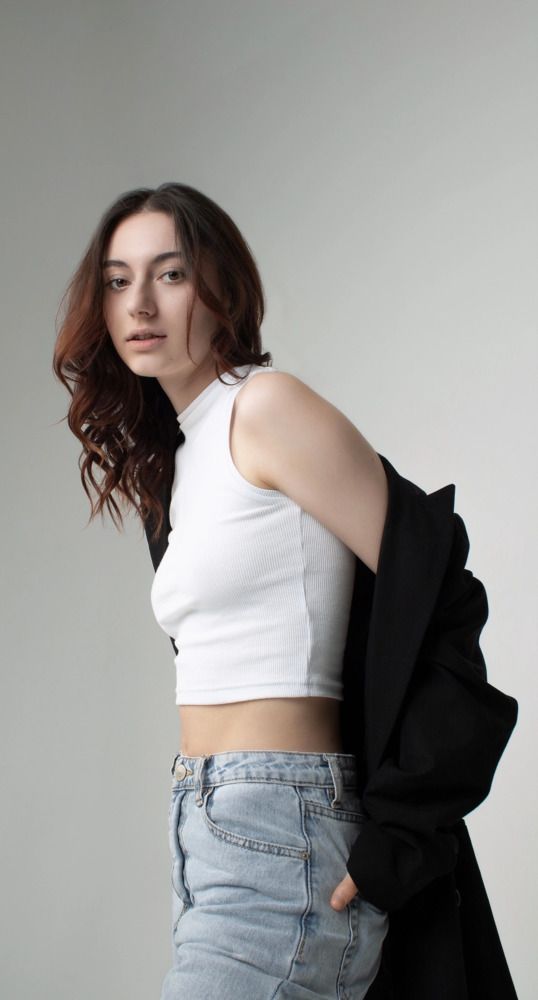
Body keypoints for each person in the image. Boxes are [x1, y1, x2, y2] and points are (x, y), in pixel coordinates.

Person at [52, 182, 518, 999]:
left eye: (170, 274)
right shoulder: (182, 459)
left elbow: (437, 589)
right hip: (206, 827)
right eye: (119, 281)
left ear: (221, 289)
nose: (140, 303)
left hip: (283, 827)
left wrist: (403, 829)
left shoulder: (264, 409)